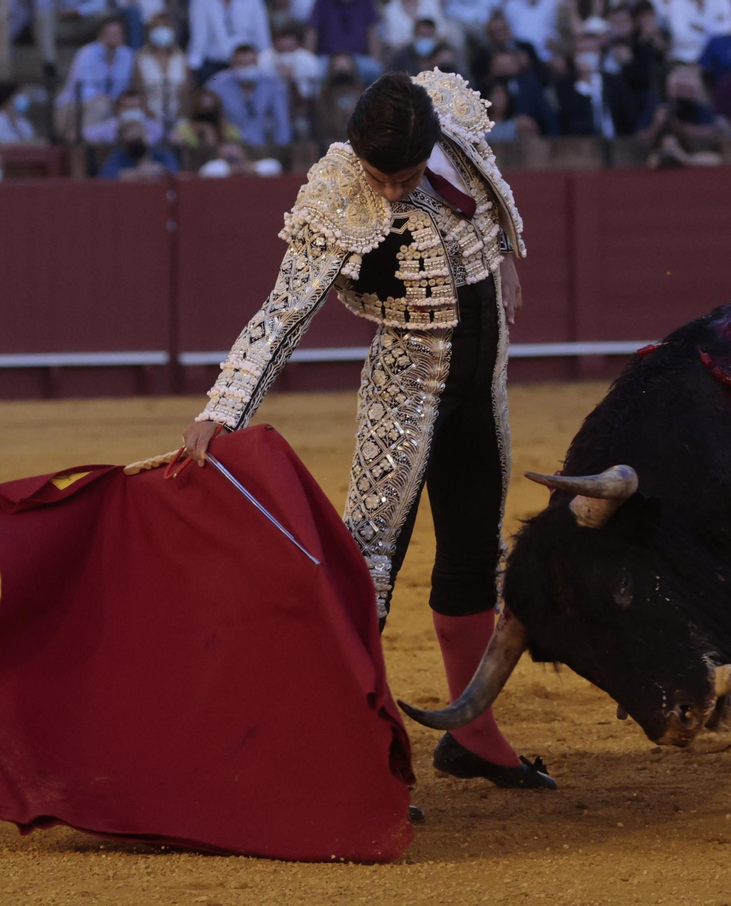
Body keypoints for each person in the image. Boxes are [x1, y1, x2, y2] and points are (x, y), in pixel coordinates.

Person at [180, 71, 554, 791]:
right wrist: (222, 410)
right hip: (405, 390)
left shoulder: (449, 120)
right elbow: (282, 312)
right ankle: (344, 752)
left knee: (475, 554)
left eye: (405, 175)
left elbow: (492, 199)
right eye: (380, 177)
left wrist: (503, 259)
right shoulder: (337, 189)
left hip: (482, 385)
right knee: (367, 567)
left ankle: (472, 736)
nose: (388, 192)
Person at [57, 16, 136, 135]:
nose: (113, 38)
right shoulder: (87, 54)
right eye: (109, 33)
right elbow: (83, 90)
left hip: (113, 106)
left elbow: (127, 87)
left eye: (117, 34)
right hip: (72, 107)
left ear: (123, 37)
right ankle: (84, 146)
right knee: (101, 106)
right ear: (100, 36)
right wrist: (109, 101)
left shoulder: (128, 56)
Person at [207, 44, 294, 145]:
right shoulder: (217, 84)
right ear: (232, 64)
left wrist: (282, 148)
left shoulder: (272, 83)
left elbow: (281, 120)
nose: (246, 67)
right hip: (228, 142)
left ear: (257, 63)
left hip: (263, 143)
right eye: (241, 63)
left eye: (250, 63)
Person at [189, 0, 274, 85]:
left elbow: (262, 37)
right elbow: (199, 38)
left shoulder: (253, 2)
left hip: (246, 62)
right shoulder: (200, 2)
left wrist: (265, 63)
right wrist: (192, 68)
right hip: (215, 64)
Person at [134, 11, 191, 126]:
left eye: (165, 26)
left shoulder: (181, 58)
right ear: (150, 31)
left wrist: (180, 114)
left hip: (178, 114)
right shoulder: (140, 58)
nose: (161, 30)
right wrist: (149, 114)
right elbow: (138, 91)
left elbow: (187, 91)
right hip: (149, 115)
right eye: (157, 27)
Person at [309, 0, 384, 83]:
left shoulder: (366, 2)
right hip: (327, 58)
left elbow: (372, 33)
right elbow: (312, 31)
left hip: (358, 58)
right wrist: (307, 60)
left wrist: (375, 60)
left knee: (375, 70)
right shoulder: (322, 2)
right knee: (311, 71)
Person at [99, 118, 180, 178]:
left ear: (145, 136)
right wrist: (139, 173)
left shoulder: (162, 154)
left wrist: (159, 169)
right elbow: (106, 176)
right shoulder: (118, 157)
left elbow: (174, 173)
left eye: (138, 137)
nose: (136, 144)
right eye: (131, 140)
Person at [83, 89, 168, 145]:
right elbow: (85, 134)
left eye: (135, 107)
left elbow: (167, 135)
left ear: (142, 109)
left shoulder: (153, 126)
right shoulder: (111, 125)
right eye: (128, 107)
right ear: (118, 109)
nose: (132, 111)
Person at [170, 88, 247, 147]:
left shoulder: (231, 132)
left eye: (210, 111)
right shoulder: (183, 131)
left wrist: (210, 134)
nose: (206, 115)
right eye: (203, 110)